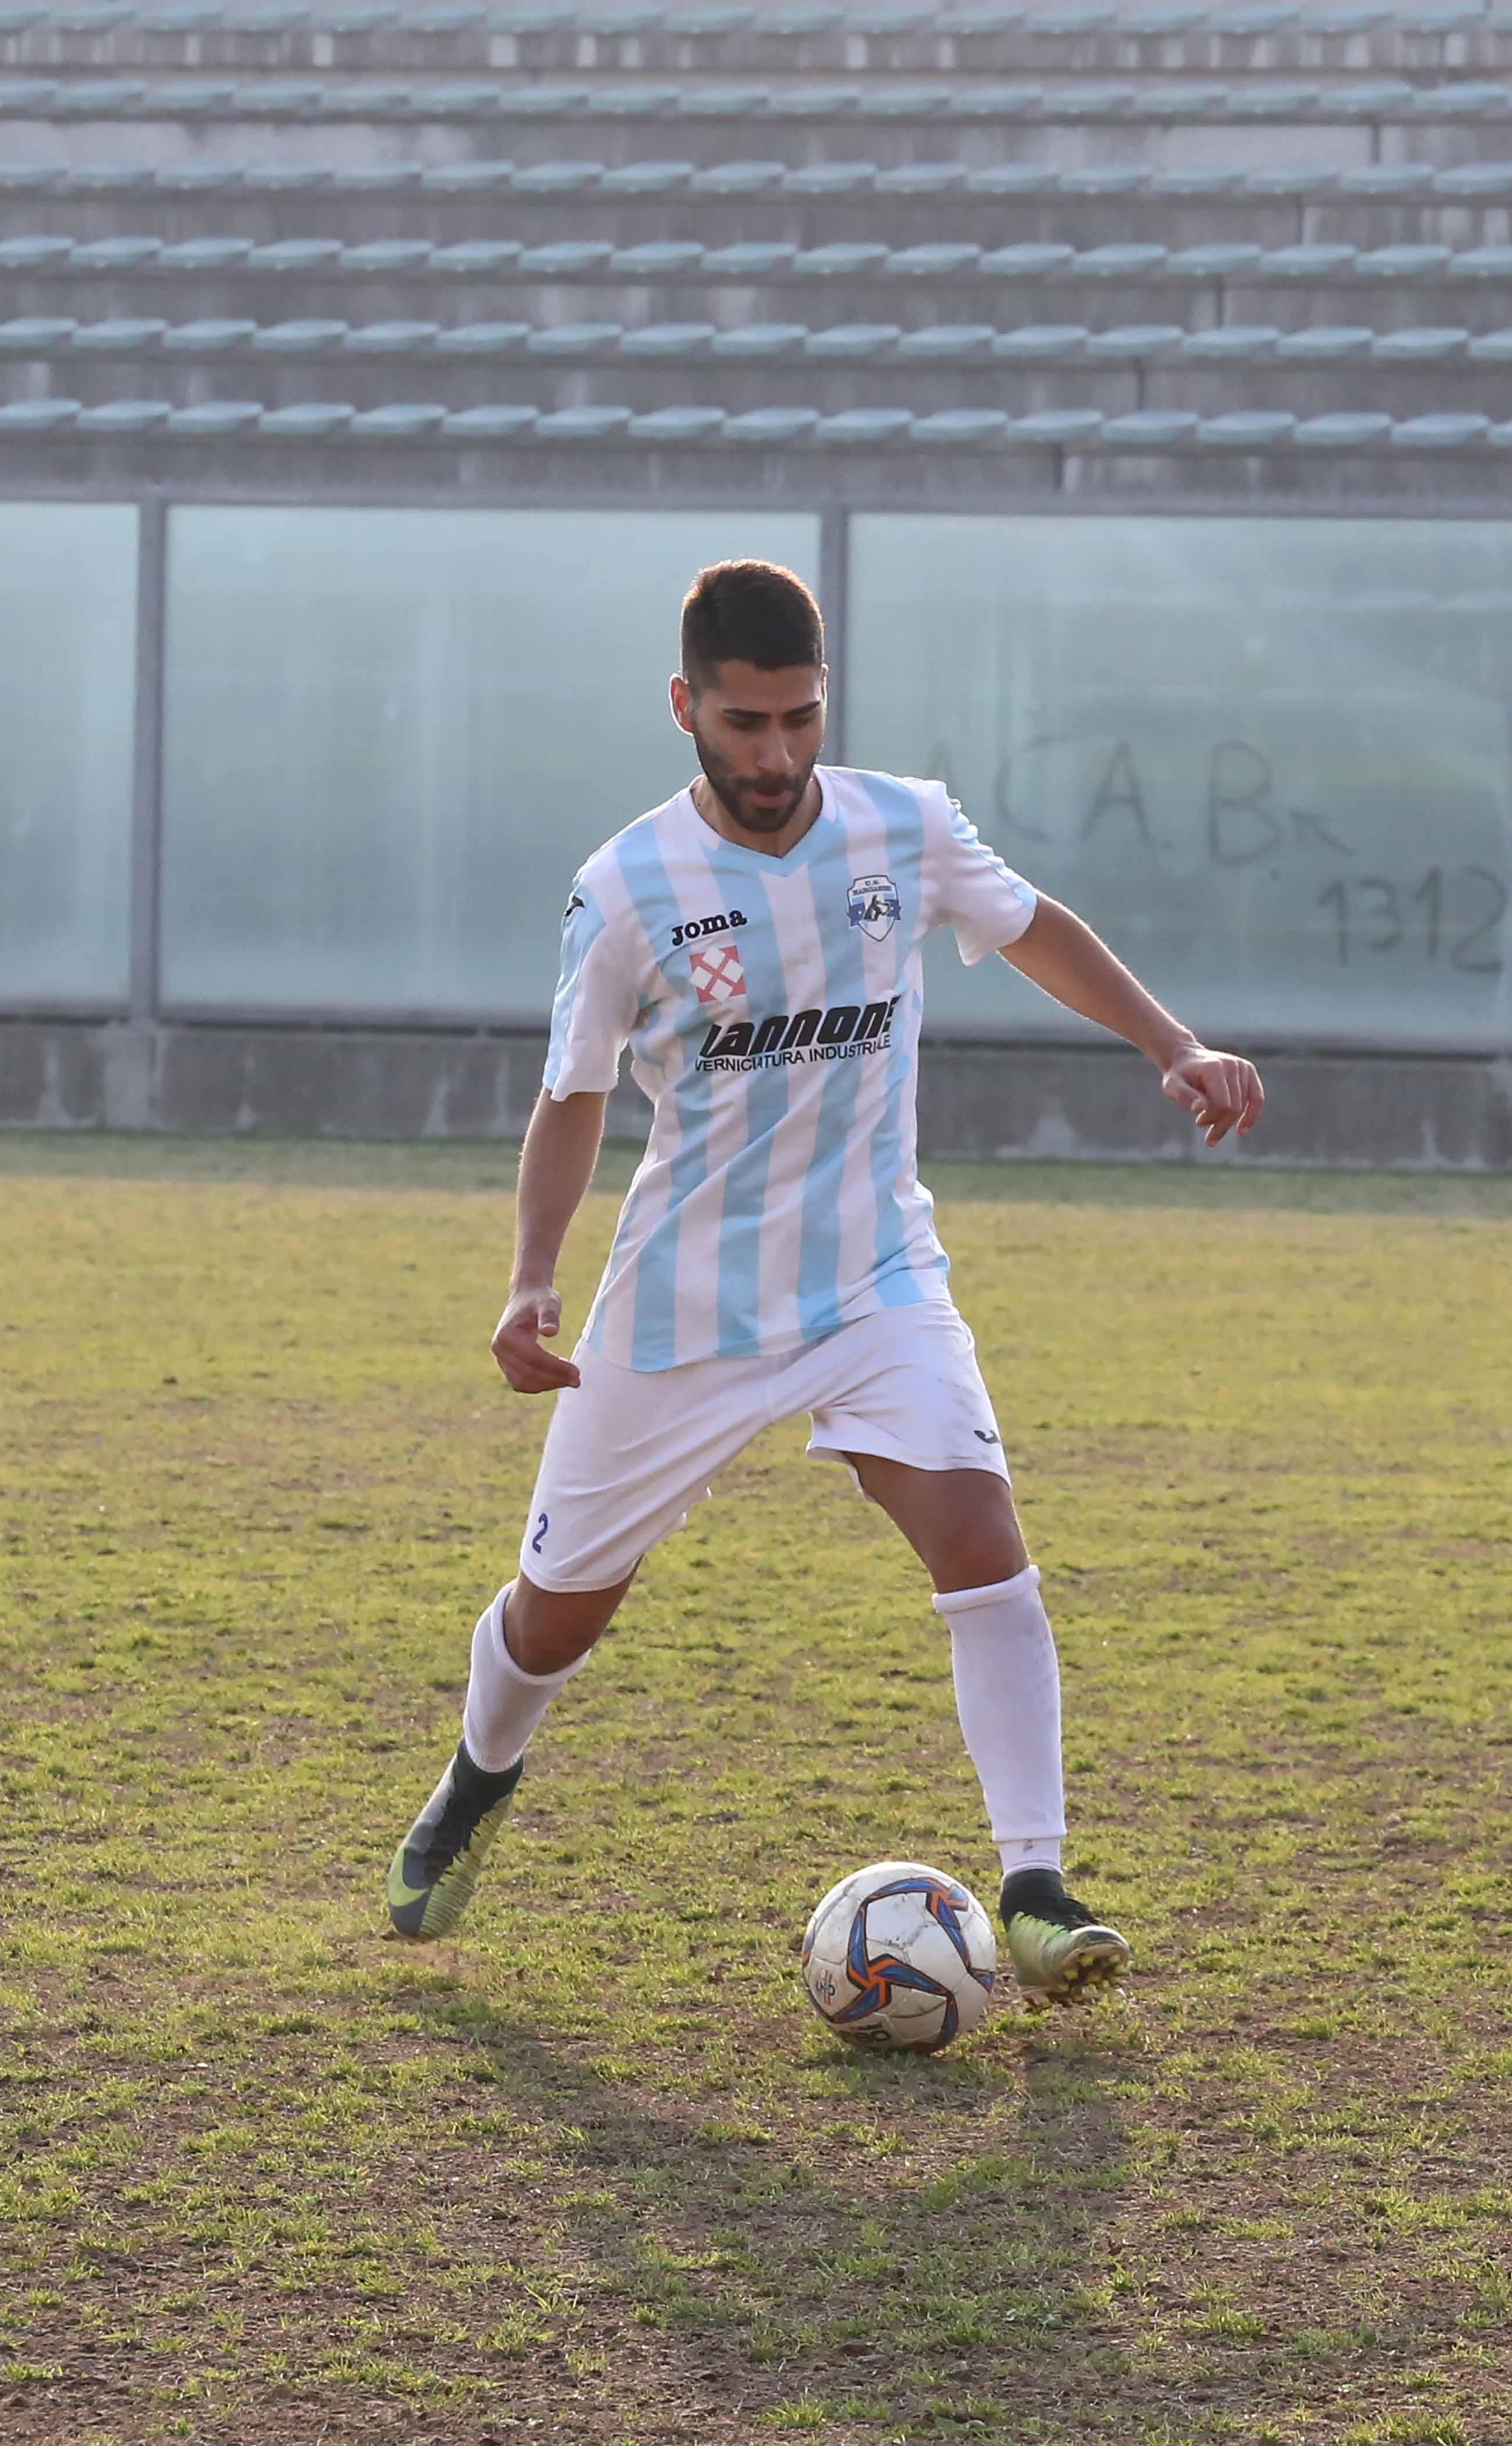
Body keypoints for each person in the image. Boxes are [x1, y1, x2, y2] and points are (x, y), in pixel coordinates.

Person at [381, 558, 1264, 2010]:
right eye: (743, 724)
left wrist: (1169, 1042)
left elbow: (1035, 924)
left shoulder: (900, 827)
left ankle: (1036, 1886)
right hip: (682, 1312)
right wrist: (531, 1280)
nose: (776, 755)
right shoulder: (626, 890)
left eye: (797, 718)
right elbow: (572, 1096)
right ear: (684, 708)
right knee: (556, 1613)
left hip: (873, 1280)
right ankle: (476, 1781)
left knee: (980, 1538)